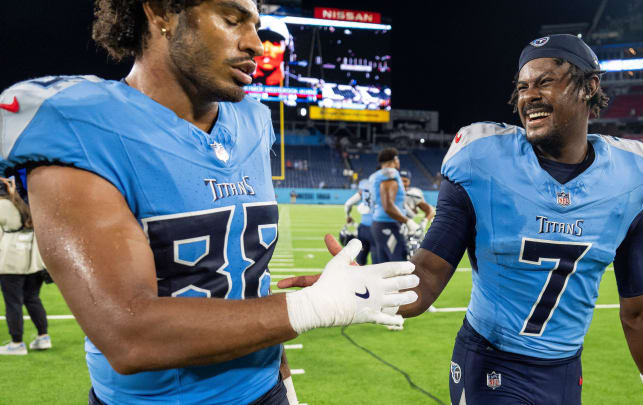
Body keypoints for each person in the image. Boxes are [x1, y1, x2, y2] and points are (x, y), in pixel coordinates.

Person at [0, 1, 418, 404]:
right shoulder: (84, 128)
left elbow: (250, 279)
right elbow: (128, 334)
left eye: (255, 23)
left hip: (266, 390)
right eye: (232, 18)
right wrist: (315, 305)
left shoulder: (252, 119)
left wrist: (284, 383)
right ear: (161, 11)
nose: (257, 43)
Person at [281, 34, 643, 405]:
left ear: (589, 87)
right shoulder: (481, 159)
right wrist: (355, 288)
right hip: (492, 364)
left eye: (545, 82)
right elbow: (429, 275)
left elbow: (640, 309)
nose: (529, 96)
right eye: (522, 87)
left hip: (566, 370)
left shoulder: (631, 176)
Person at [0, 177, 50, 355]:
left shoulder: (3, 206)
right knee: (32, 299)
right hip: (34, 262)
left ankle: (17, 343)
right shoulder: (25, 203)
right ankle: (43, 337)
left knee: (13, 303)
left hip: (12, 263)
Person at [368, 148, 419, 264]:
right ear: (395, 160)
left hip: (379, 223)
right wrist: (408, 221)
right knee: (399, 264)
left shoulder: (374, 176)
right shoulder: (391, 174)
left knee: (384, 265)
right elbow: (388, 206)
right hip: (388, 224)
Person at [343, 178, 375, 265]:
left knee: (360, 259)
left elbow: (348, 203)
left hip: (363, 227)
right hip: (377, 228)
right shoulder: (386, 186)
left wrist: (348, 216)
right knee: (378, 260)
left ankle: (359, 278)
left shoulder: (365, 187)